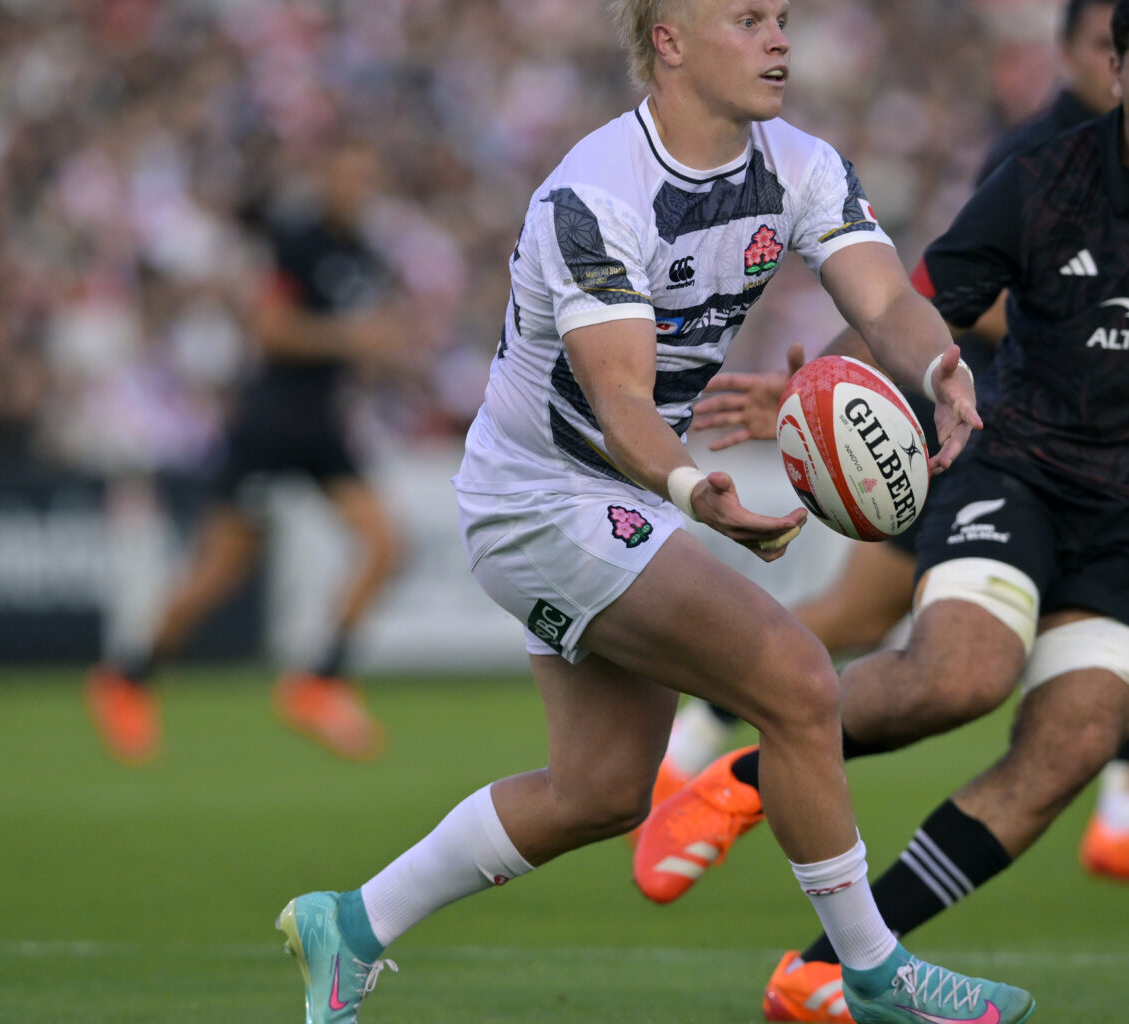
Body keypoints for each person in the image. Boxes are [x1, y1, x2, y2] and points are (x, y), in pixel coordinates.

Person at [274, 2, 1036, 1022]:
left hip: (620, 493)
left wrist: (939, 367)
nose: (780, 39)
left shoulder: (802, 164)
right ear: (670, 41)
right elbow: (620, 399)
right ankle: (873, 973)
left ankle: (352, 924)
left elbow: (886, 299)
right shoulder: (594, 195)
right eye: (748, 19)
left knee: (599, 790)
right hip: (540, 497)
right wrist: (693, 492)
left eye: (781, 18)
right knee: (798, 681)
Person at [632, 3, 1129, 1019]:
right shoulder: (1042, 178)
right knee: (961, 676)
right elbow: (913, 302)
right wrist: (822, 383)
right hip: (1019, 470)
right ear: (1114, 71)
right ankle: (750, 772)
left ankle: (824, 972)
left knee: (1069, 746)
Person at [83, 143, 407, 765]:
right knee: (220, 571)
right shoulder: (297, 241)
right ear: (327, 180)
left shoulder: (362, 254)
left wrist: (378, 348)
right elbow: (271, 331)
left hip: (321, 425)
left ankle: (318, 682)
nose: (358, 187)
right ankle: (126, 678)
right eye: (347, 175)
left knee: (387, 546)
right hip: (271, 423)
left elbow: (355, 339)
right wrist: (352, 338)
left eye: (367, 177)